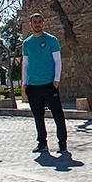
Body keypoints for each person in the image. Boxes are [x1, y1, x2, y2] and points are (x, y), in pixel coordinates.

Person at [22, 13, 67, 154]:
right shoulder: (26, 43)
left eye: (40, 21)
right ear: (30, 24)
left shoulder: (51, 40)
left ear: (43, 23)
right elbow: (25, 64)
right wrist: (25, 83)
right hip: (33, 86)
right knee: (38, 116)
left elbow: (57, 61)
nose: (37, 24)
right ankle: (42, 143)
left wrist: (56, 80)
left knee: (57, 115)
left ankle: (62, 143)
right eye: (34, 22)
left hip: (49, 84)